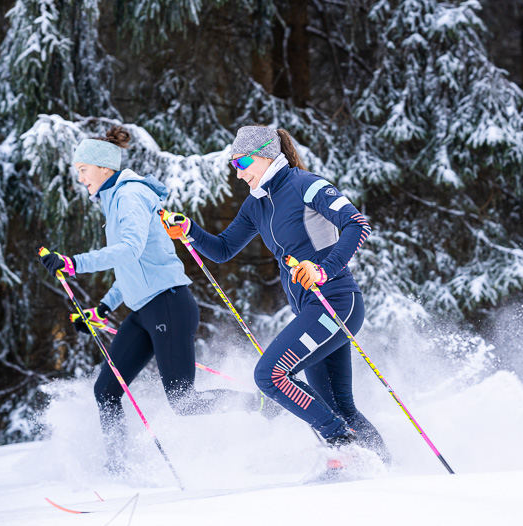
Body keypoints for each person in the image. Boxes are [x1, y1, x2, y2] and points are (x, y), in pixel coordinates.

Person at [39, 126, 275, 474]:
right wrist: (103, 308)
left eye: (83, 170)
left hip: (169, 304)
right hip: (143, 310)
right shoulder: (113, 199)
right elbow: (132, 266)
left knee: (184, 401)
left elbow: (129, 250)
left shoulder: (129, 196)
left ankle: (264, 404)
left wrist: (74, 264)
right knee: (106, 389)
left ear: (104, 168)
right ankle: (118, 467)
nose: (80, 178)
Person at [162, 125, 390, 463]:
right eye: (233, 166)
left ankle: (342, 446)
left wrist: (323, 269)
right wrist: (190, 230)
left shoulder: (306, 185)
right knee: (338, 405)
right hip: (312, 311)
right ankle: (384, 466)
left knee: (270, 375)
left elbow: (357, 224)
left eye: (241, 164)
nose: (238, 175)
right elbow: (224, 249)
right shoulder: (257, 204)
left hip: (336, 302)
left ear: (265, 155)